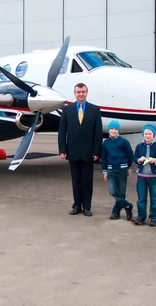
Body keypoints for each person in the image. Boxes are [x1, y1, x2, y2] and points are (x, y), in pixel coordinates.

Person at [58, 83, 103, 216]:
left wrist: (96, 152)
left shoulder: (95, 110)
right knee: (76, 181)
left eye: (83, 92)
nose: (81, 94)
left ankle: (87, 207)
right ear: (75, 94)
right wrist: (62, 149)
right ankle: (76, 205)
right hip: (72, 152)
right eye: (78, 92)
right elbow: (62, 131)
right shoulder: (67, 110)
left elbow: (98, 132)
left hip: (89, 153)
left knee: (87, 182)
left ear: (87, 93)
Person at [133, 124, 156, 227]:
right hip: (141, 177)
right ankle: (141, 217)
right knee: (141, 199)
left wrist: (155, 160)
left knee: (155, 199)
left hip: (153, 177)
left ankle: (154, 218)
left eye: (149, 134)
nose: (147, 136)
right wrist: (139, 160)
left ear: (153, 135)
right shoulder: (139, 146)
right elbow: (134, 157)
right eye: (145, 134)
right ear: (143, 135)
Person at [101, 120, 134, 221]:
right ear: (109, 130)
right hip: (111, 170)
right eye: (111, 129)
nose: (113, 131)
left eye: (115, 129)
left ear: (118, 130)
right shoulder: (106, 143)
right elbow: (104, 158)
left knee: (121, 191)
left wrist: (128, 167)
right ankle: (128, 206)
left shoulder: (124, 142)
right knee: (112, 191)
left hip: (122, 169)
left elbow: (130, 155)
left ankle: (115, 212)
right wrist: (104, 171)